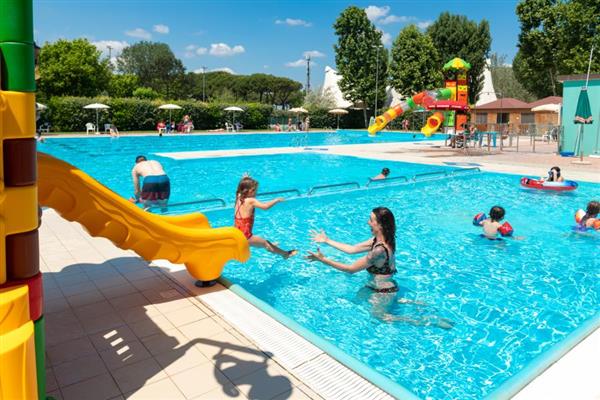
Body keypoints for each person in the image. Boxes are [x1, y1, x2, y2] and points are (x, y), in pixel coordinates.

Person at [307, 207, 453, 329]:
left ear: (380, 225)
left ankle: (427, 321)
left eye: (371, 220)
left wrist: (323, 260)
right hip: (378, 286)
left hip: (382, 291)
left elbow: (351, 269)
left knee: (379, 317)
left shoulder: (379, 250)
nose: (368, 222)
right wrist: (327, 240)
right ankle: (402, 301)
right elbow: (352, 249)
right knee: (357, 300)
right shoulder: (383, 239)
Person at [234, 176, 297, 258]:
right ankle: (286, 254)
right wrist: (276, 200)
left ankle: (271, 246)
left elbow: (240, 189)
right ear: (250, 191)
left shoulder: (239, 196)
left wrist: (245, 179)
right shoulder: (251, 201)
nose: (256, 193)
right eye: (255, 191)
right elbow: (265, 207)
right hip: (245, 235)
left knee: (263, 243)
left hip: (236, 233)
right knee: (266, 243)